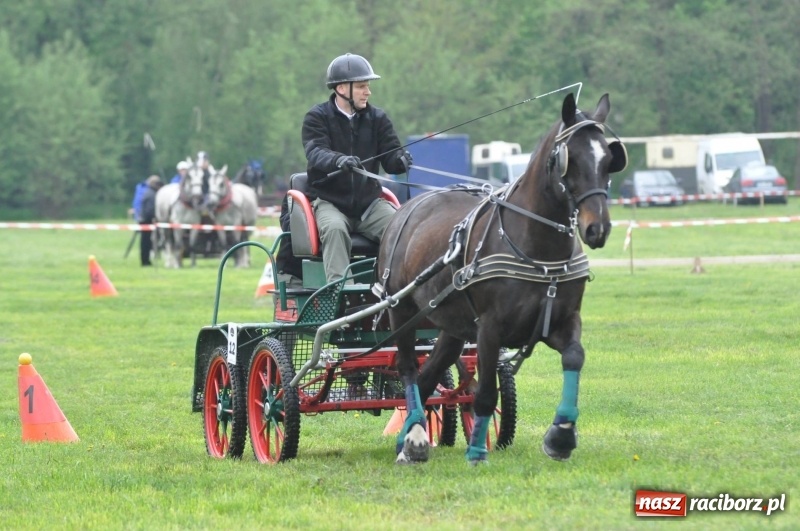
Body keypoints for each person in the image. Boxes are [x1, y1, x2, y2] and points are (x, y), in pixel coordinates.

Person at [301, 53, 412, 284]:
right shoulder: (317, 117)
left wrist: (400, 160)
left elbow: (391, 156)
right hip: (331, 202)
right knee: (334, 230)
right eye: (362, 86)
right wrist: (339, 160)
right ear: (342, 88)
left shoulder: (378, 118)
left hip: (369, 204)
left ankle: (399, 288)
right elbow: (315, 151)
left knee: (401, 227)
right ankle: (341, 294)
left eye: (367, 86)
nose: (368, 92)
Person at [138, 175, 163, 266]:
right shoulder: (152, 194)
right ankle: (145, 261)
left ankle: (145, 260)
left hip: (144, 220)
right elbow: (150, 210)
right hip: (147, 221)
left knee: (145, 242)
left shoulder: (148, 192)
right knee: (146, 243)